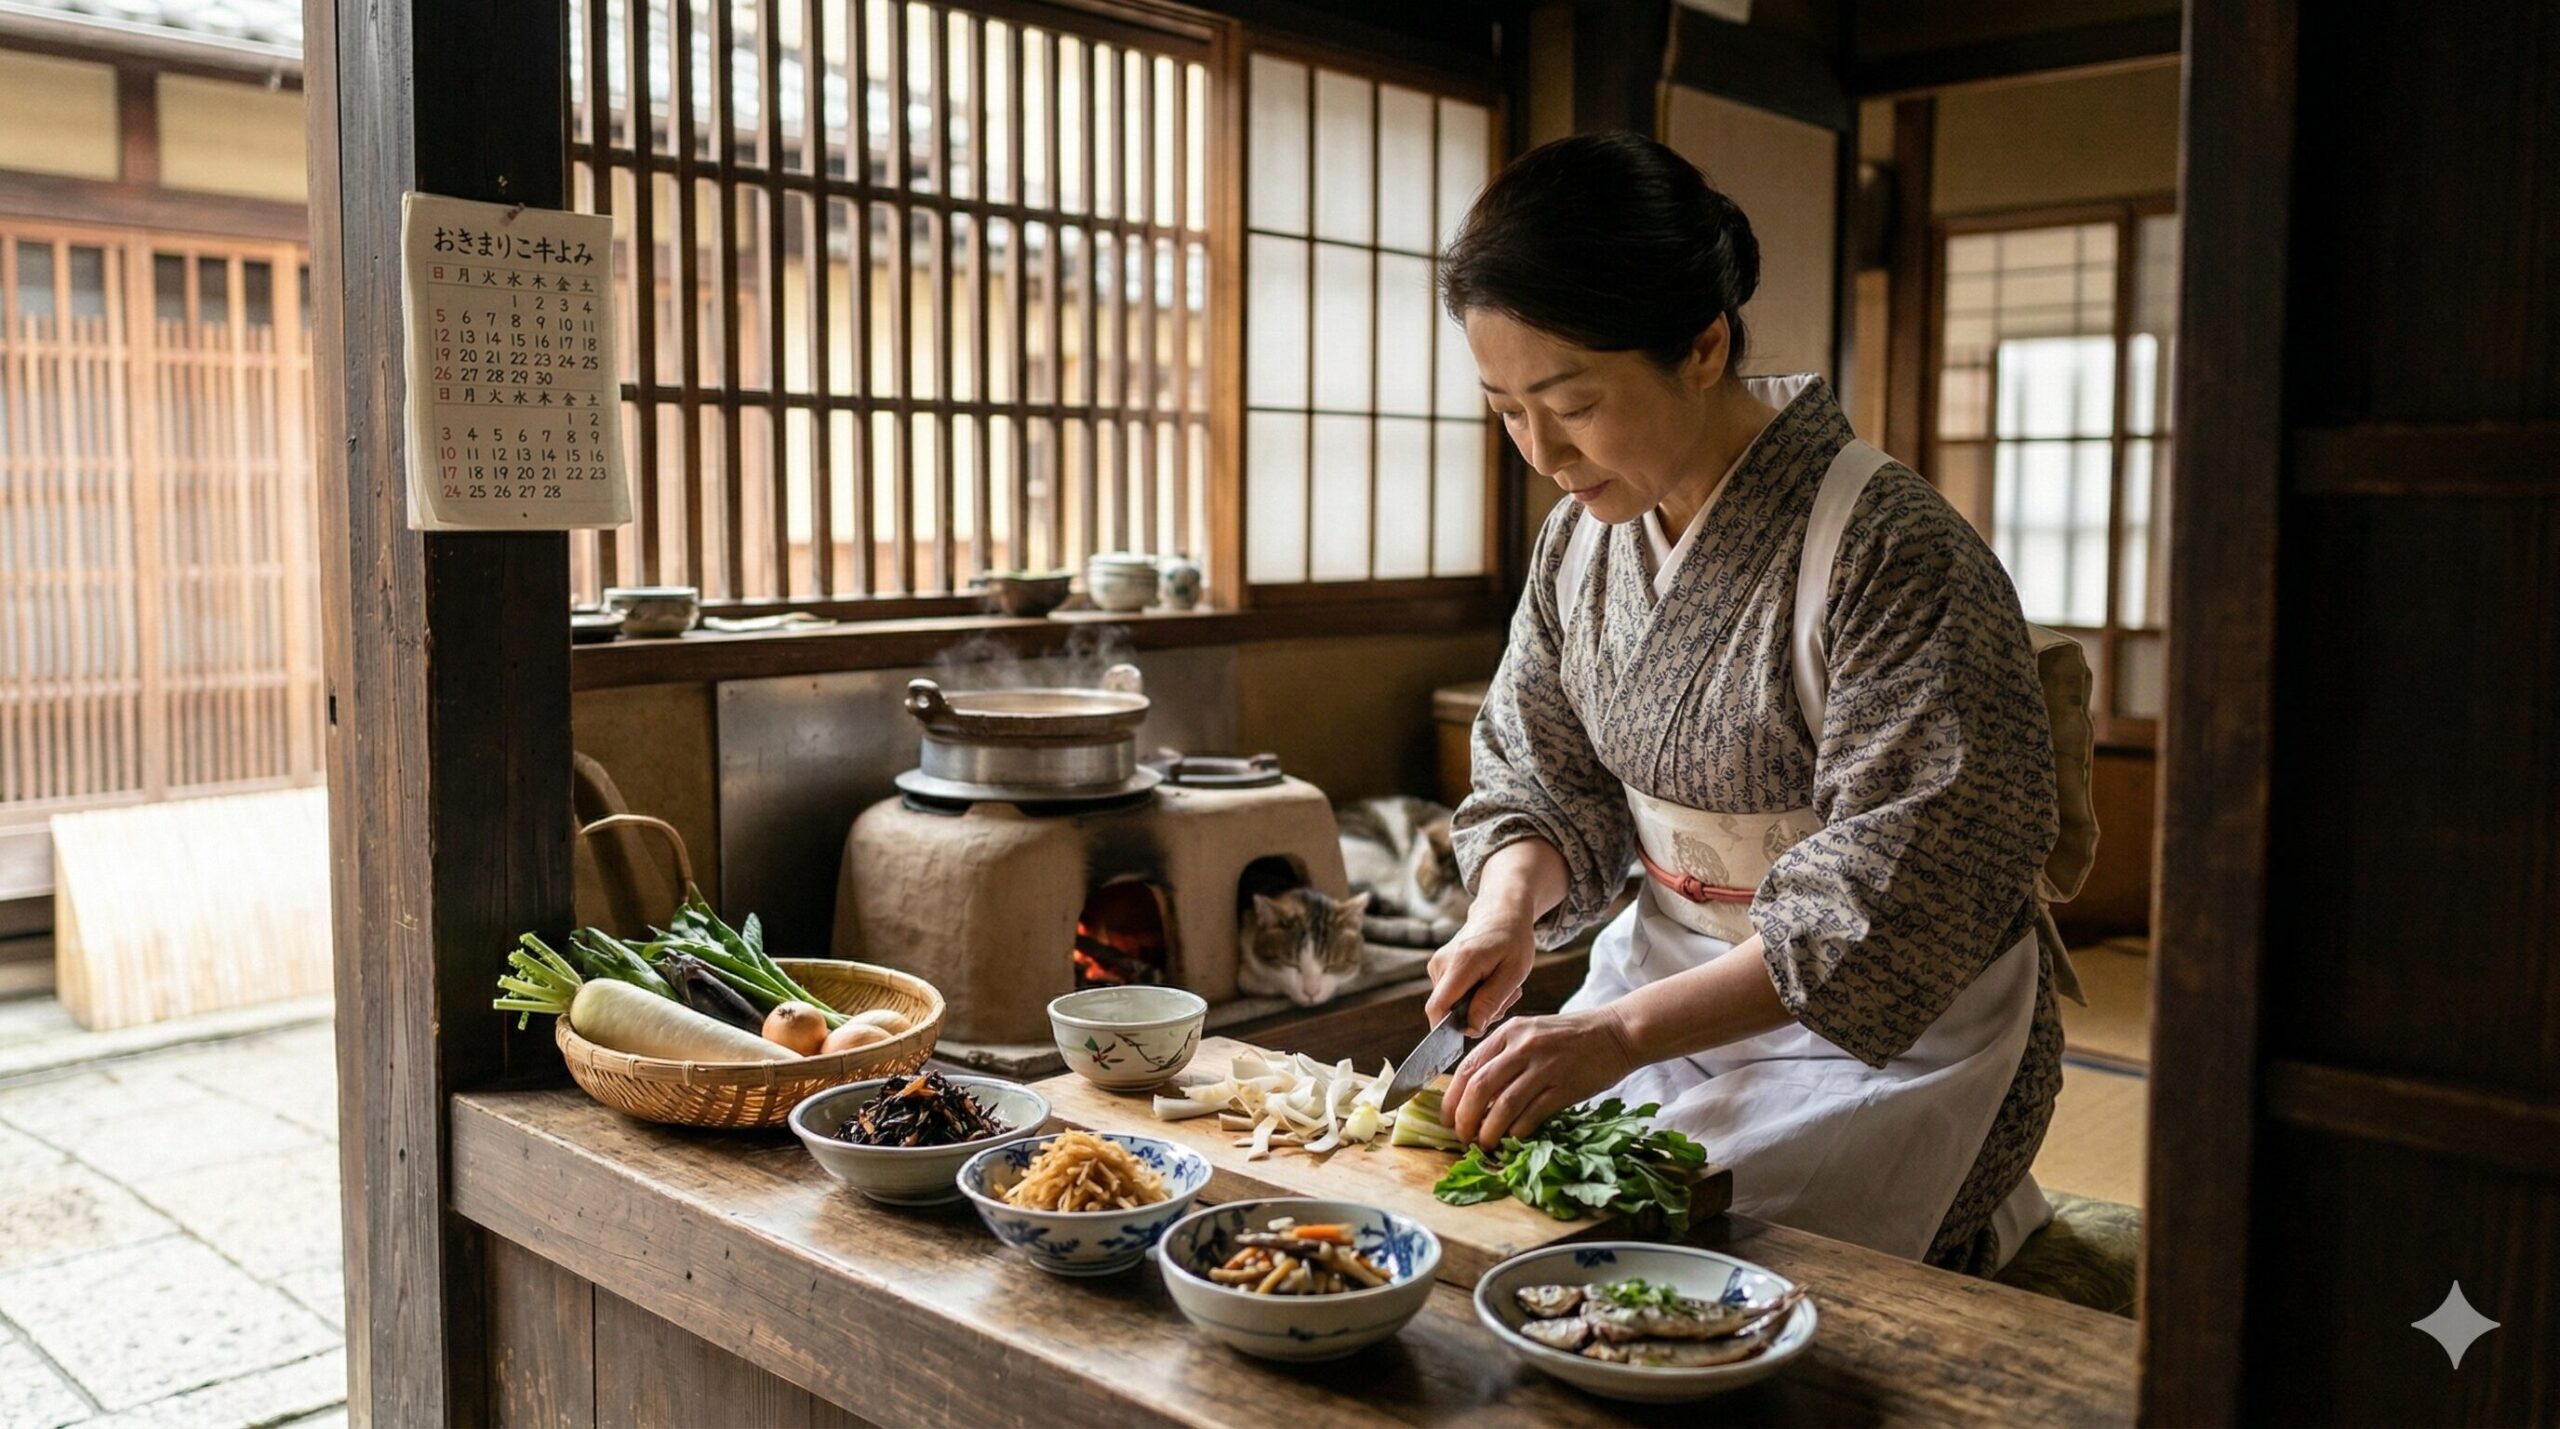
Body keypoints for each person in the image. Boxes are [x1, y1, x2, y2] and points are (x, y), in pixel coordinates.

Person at [1425, 131, 2064, 1274]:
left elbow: (1899, 899)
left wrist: (1616, 1034)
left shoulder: (1891, 550)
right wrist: (1505, 911)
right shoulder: (1579, 542)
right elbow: (1538, 771)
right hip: (1659, 995)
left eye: (1570, 402)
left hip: (1885, 1045)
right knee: (1492, 1188)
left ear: (1705, 344)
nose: (1540, 451)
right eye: (1505, 409)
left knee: (1641, 1247)